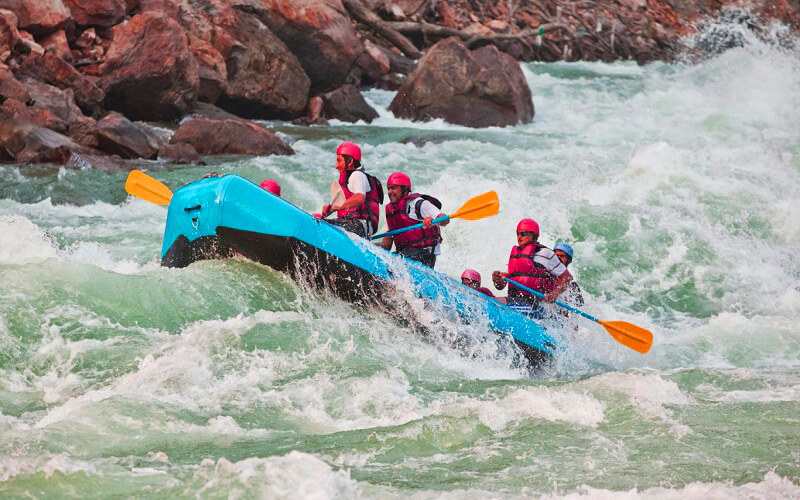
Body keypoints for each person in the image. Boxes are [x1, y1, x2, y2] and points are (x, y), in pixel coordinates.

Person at [492, 218, 573, 317]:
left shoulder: (545, 253)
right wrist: (497, 279)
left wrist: (554, 294)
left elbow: (567, 277)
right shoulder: (516, 256)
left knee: (494, 302)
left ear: (533, 235)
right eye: (517, 234)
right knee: (488, 297)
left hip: (536, 305)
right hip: (518, 301)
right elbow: (500, 286)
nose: (519, 237)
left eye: (523, 234)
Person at [377, 171, 449, 268]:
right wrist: (369, 246)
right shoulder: (391, 211)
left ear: (405, 189)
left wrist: (432, 221)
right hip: (405, 254)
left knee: (393, 264)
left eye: (393, 188)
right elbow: (387, 245)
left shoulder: (418, 203)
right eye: (388, 188)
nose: (390, 192)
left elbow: (445, 220)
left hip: (424, 255)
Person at [318, 141, 383, 238]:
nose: (336, 166)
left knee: (319, 224)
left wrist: (336, 207)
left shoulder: (357, 175)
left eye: (339, 160)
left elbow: (359, 198)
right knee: (318, 219)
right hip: (353, 225)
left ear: (350, 161)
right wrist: (329, 210)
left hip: (359, 226)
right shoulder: (349, 179)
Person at [553, 242, 584, 307]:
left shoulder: (572, 285)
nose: (558, 258)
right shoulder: (545, 274)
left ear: (569, 260)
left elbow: (579, 307)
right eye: (556, 255)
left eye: (562, 256)